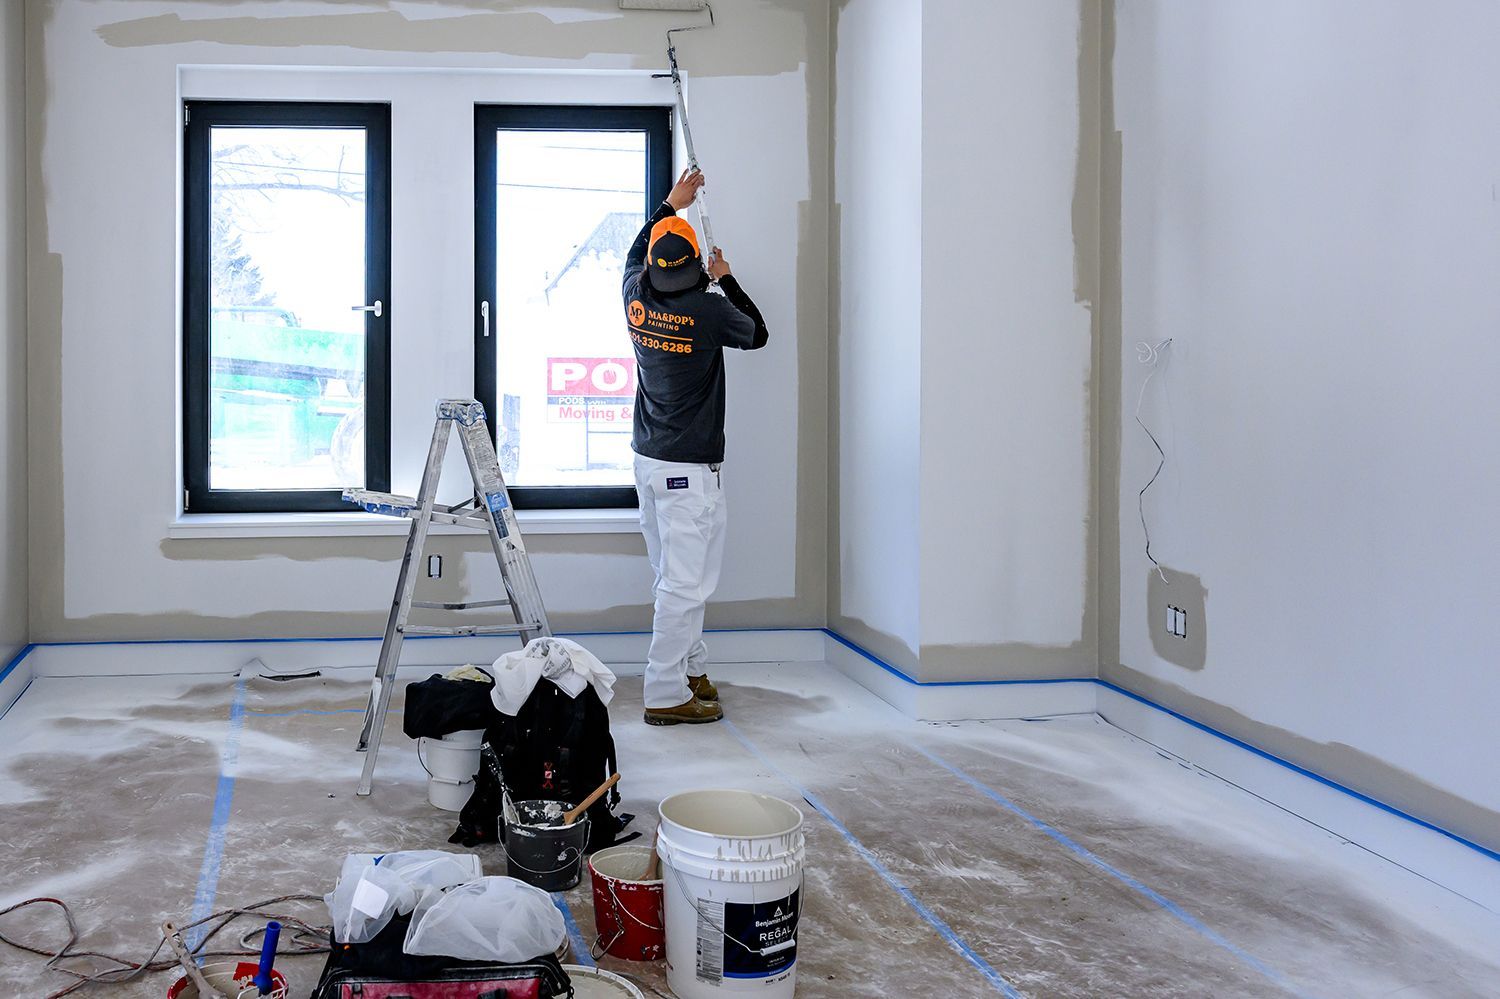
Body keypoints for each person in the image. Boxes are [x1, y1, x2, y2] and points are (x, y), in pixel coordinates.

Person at [622, 169, 768, 726]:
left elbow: (637, 250)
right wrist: (725, 279)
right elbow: (757, 333)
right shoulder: (707, 309)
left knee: (675, 578)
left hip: (649, 460)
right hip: (688, 471)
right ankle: (664, 694)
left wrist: (669, 204)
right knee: (685, 585)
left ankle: (688, 667)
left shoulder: (634, 292)